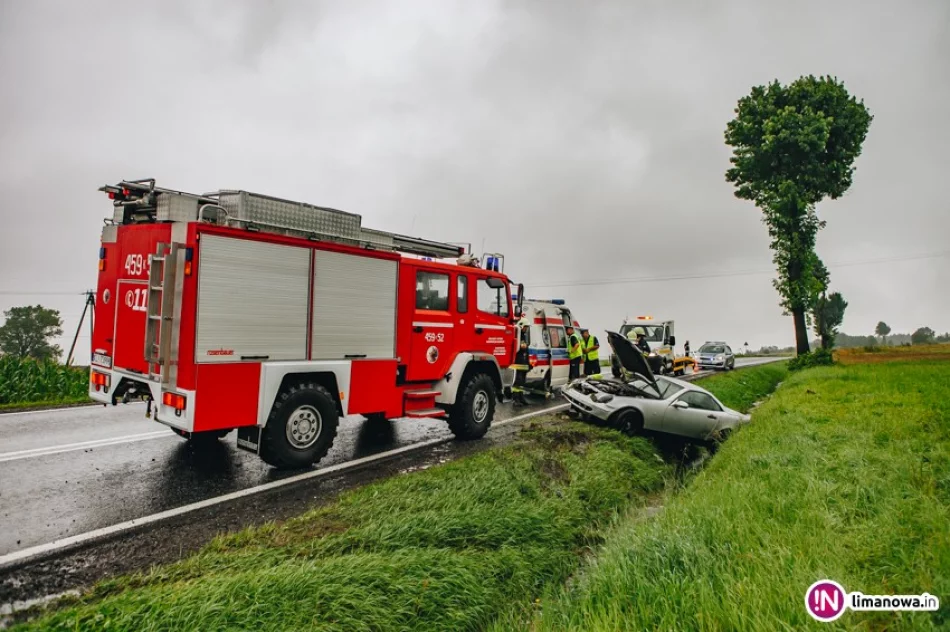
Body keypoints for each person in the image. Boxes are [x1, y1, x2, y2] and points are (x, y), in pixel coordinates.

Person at [511, 339, 531, 406]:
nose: (524, 345)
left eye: (525, 344)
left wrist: (528, 366)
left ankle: (521, 398)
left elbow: (527, 359)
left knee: (522, 384)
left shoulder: (526, 351)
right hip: (518, 369)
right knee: (517, 384)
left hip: (524, 369)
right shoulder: (518, 351)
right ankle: (516, 399)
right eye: (522, 344)